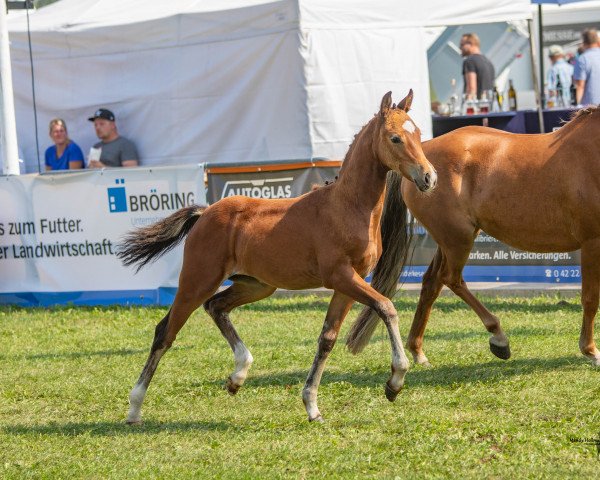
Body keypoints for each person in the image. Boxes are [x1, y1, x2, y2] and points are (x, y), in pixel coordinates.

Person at [459, 33, 495, 100]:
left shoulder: (469, 61)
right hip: (489, 105)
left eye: (462, 45)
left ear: (471, 44)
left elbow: (471, 89)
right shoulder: (488, 62)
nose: (460, 48)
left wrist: (466, 105)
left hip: (477, 107)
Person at [574, 28, 600, 106]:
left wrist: (578, 105)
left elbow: (580, 86)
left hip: (592, 108)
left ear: (584, 42)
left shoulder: (583, 59)